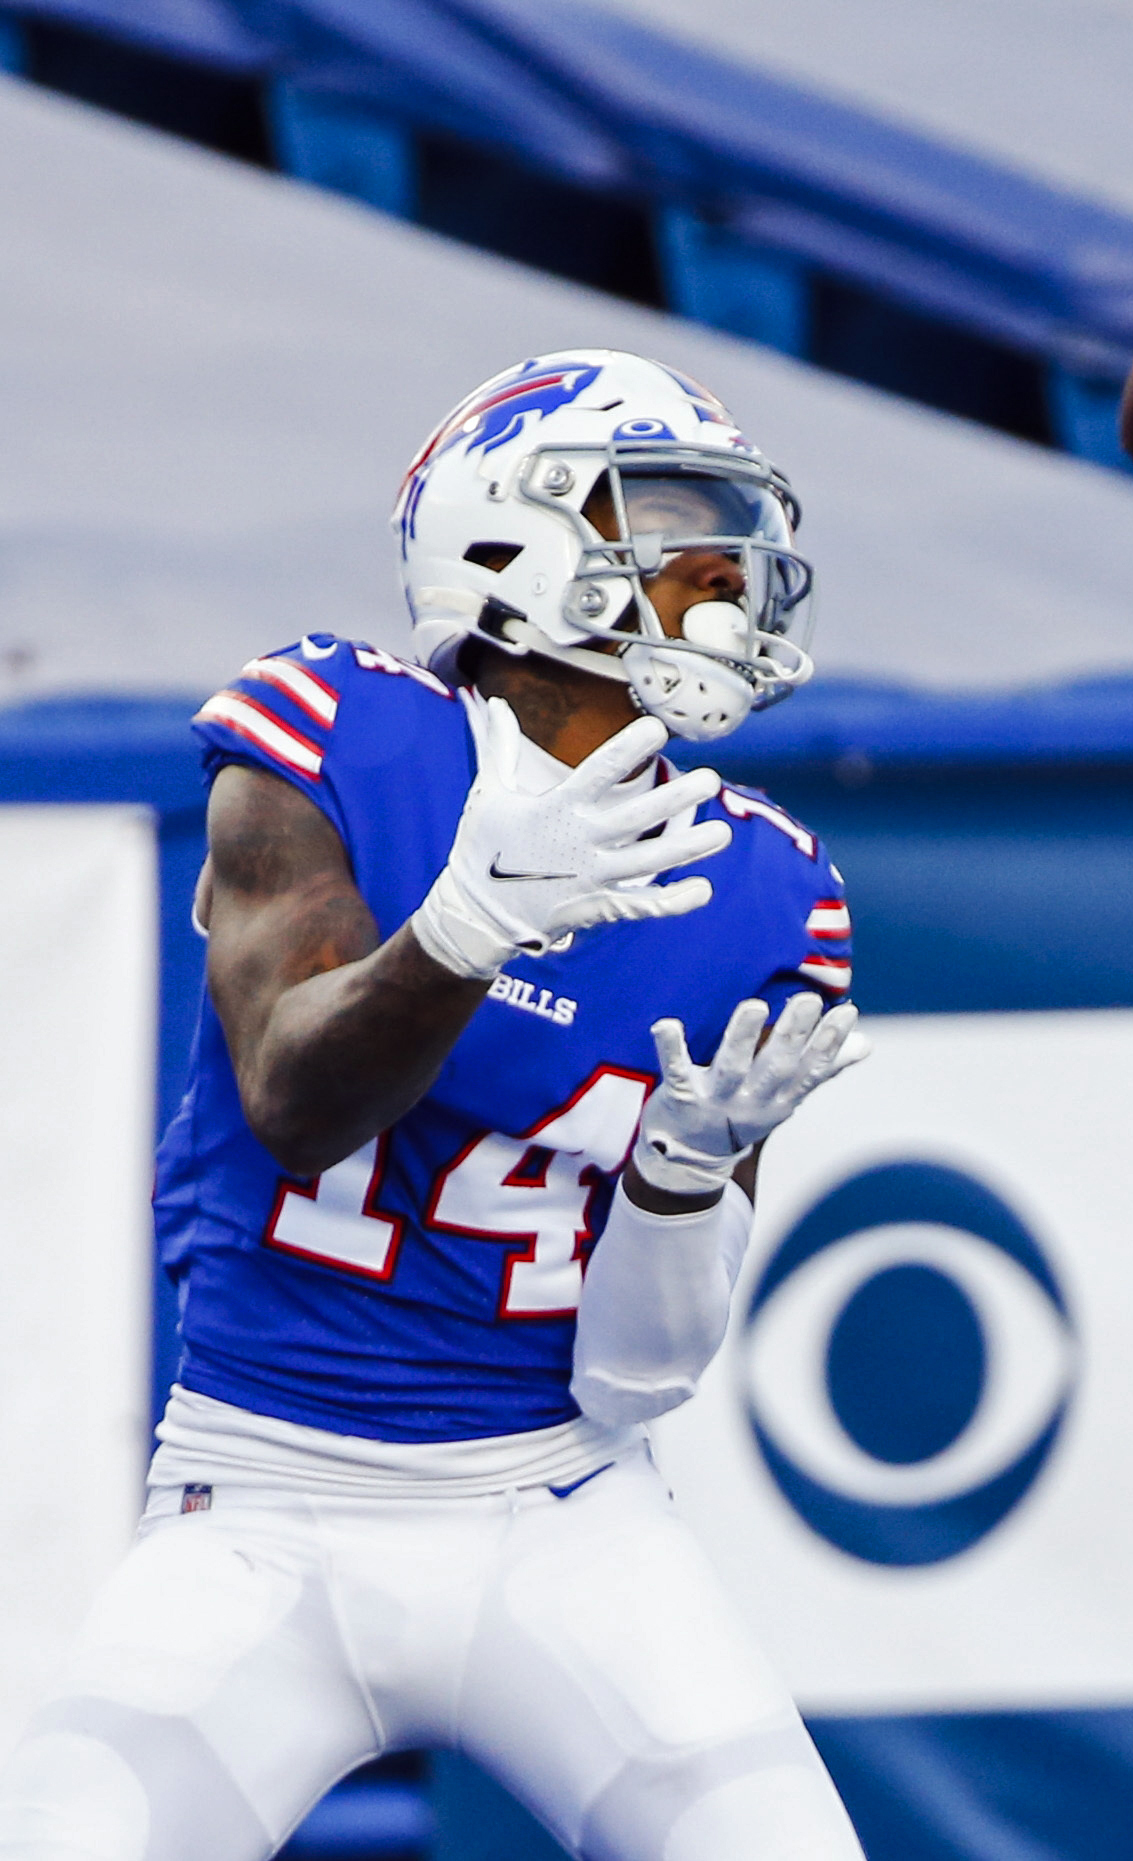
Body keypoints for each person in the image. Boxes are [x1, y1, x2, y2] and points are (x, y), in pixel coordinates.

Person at [0, 351, 871, 1860]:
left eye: (734, 526)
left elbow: (638, 1380)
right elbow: (293, 1102)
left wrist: (683, 1174)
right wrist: (468, 926)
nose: (727, 565)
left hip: (561, 1509)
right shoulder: (341, 736)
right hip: (259, 1497)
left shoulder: (765, 888)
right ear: (507, 538)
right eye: (672, 514)